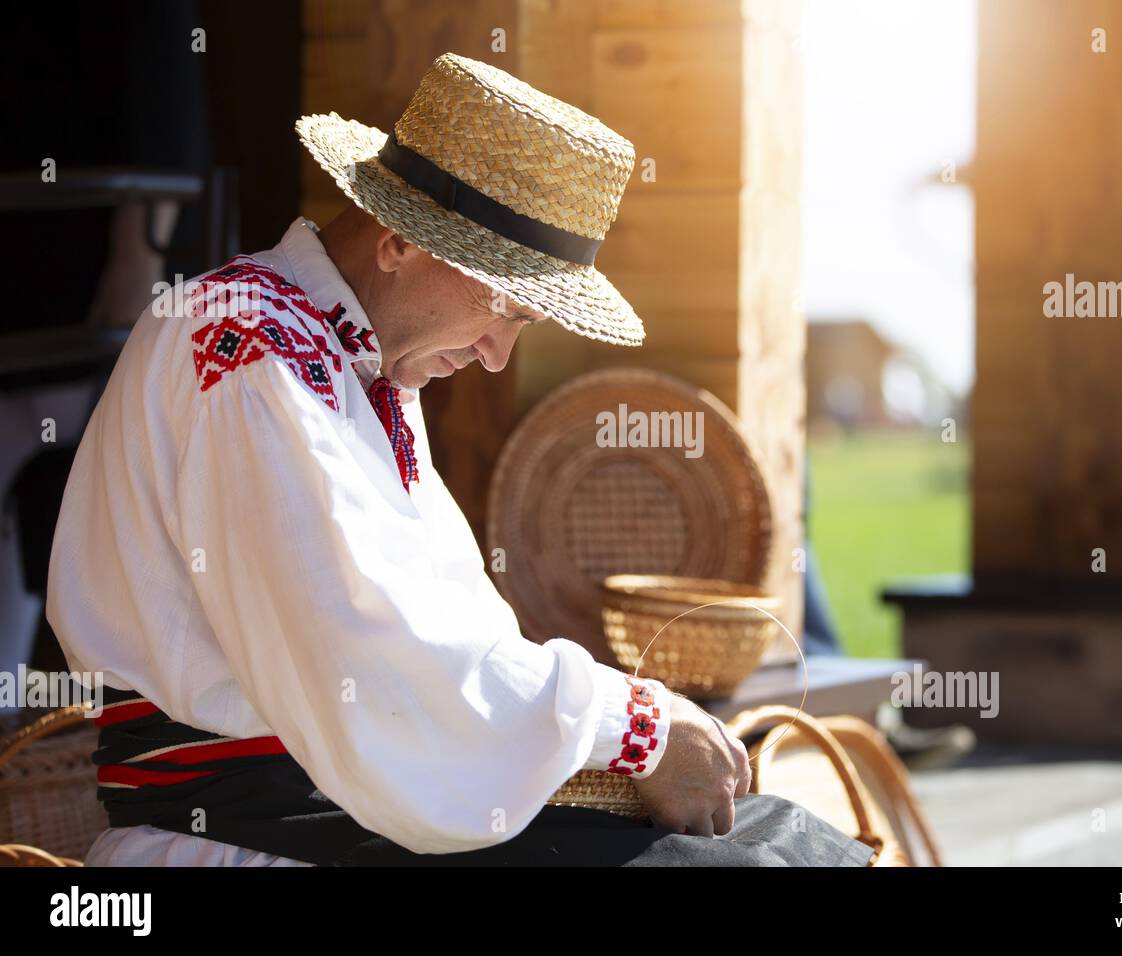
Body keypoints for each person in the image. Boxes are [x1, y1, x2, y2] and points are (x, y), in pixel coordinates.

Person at [47, 53, 873, 866]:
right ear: (400, 240)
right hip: (254, 820)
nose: (495, 354)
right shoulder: (250, 344)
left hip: (359, 801)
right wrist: (636, 727)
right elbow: (378, 659)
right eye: (503, 306)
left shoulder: (353, 360)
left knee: (785, 844)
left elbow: (449, 644)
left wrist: (614, 727)